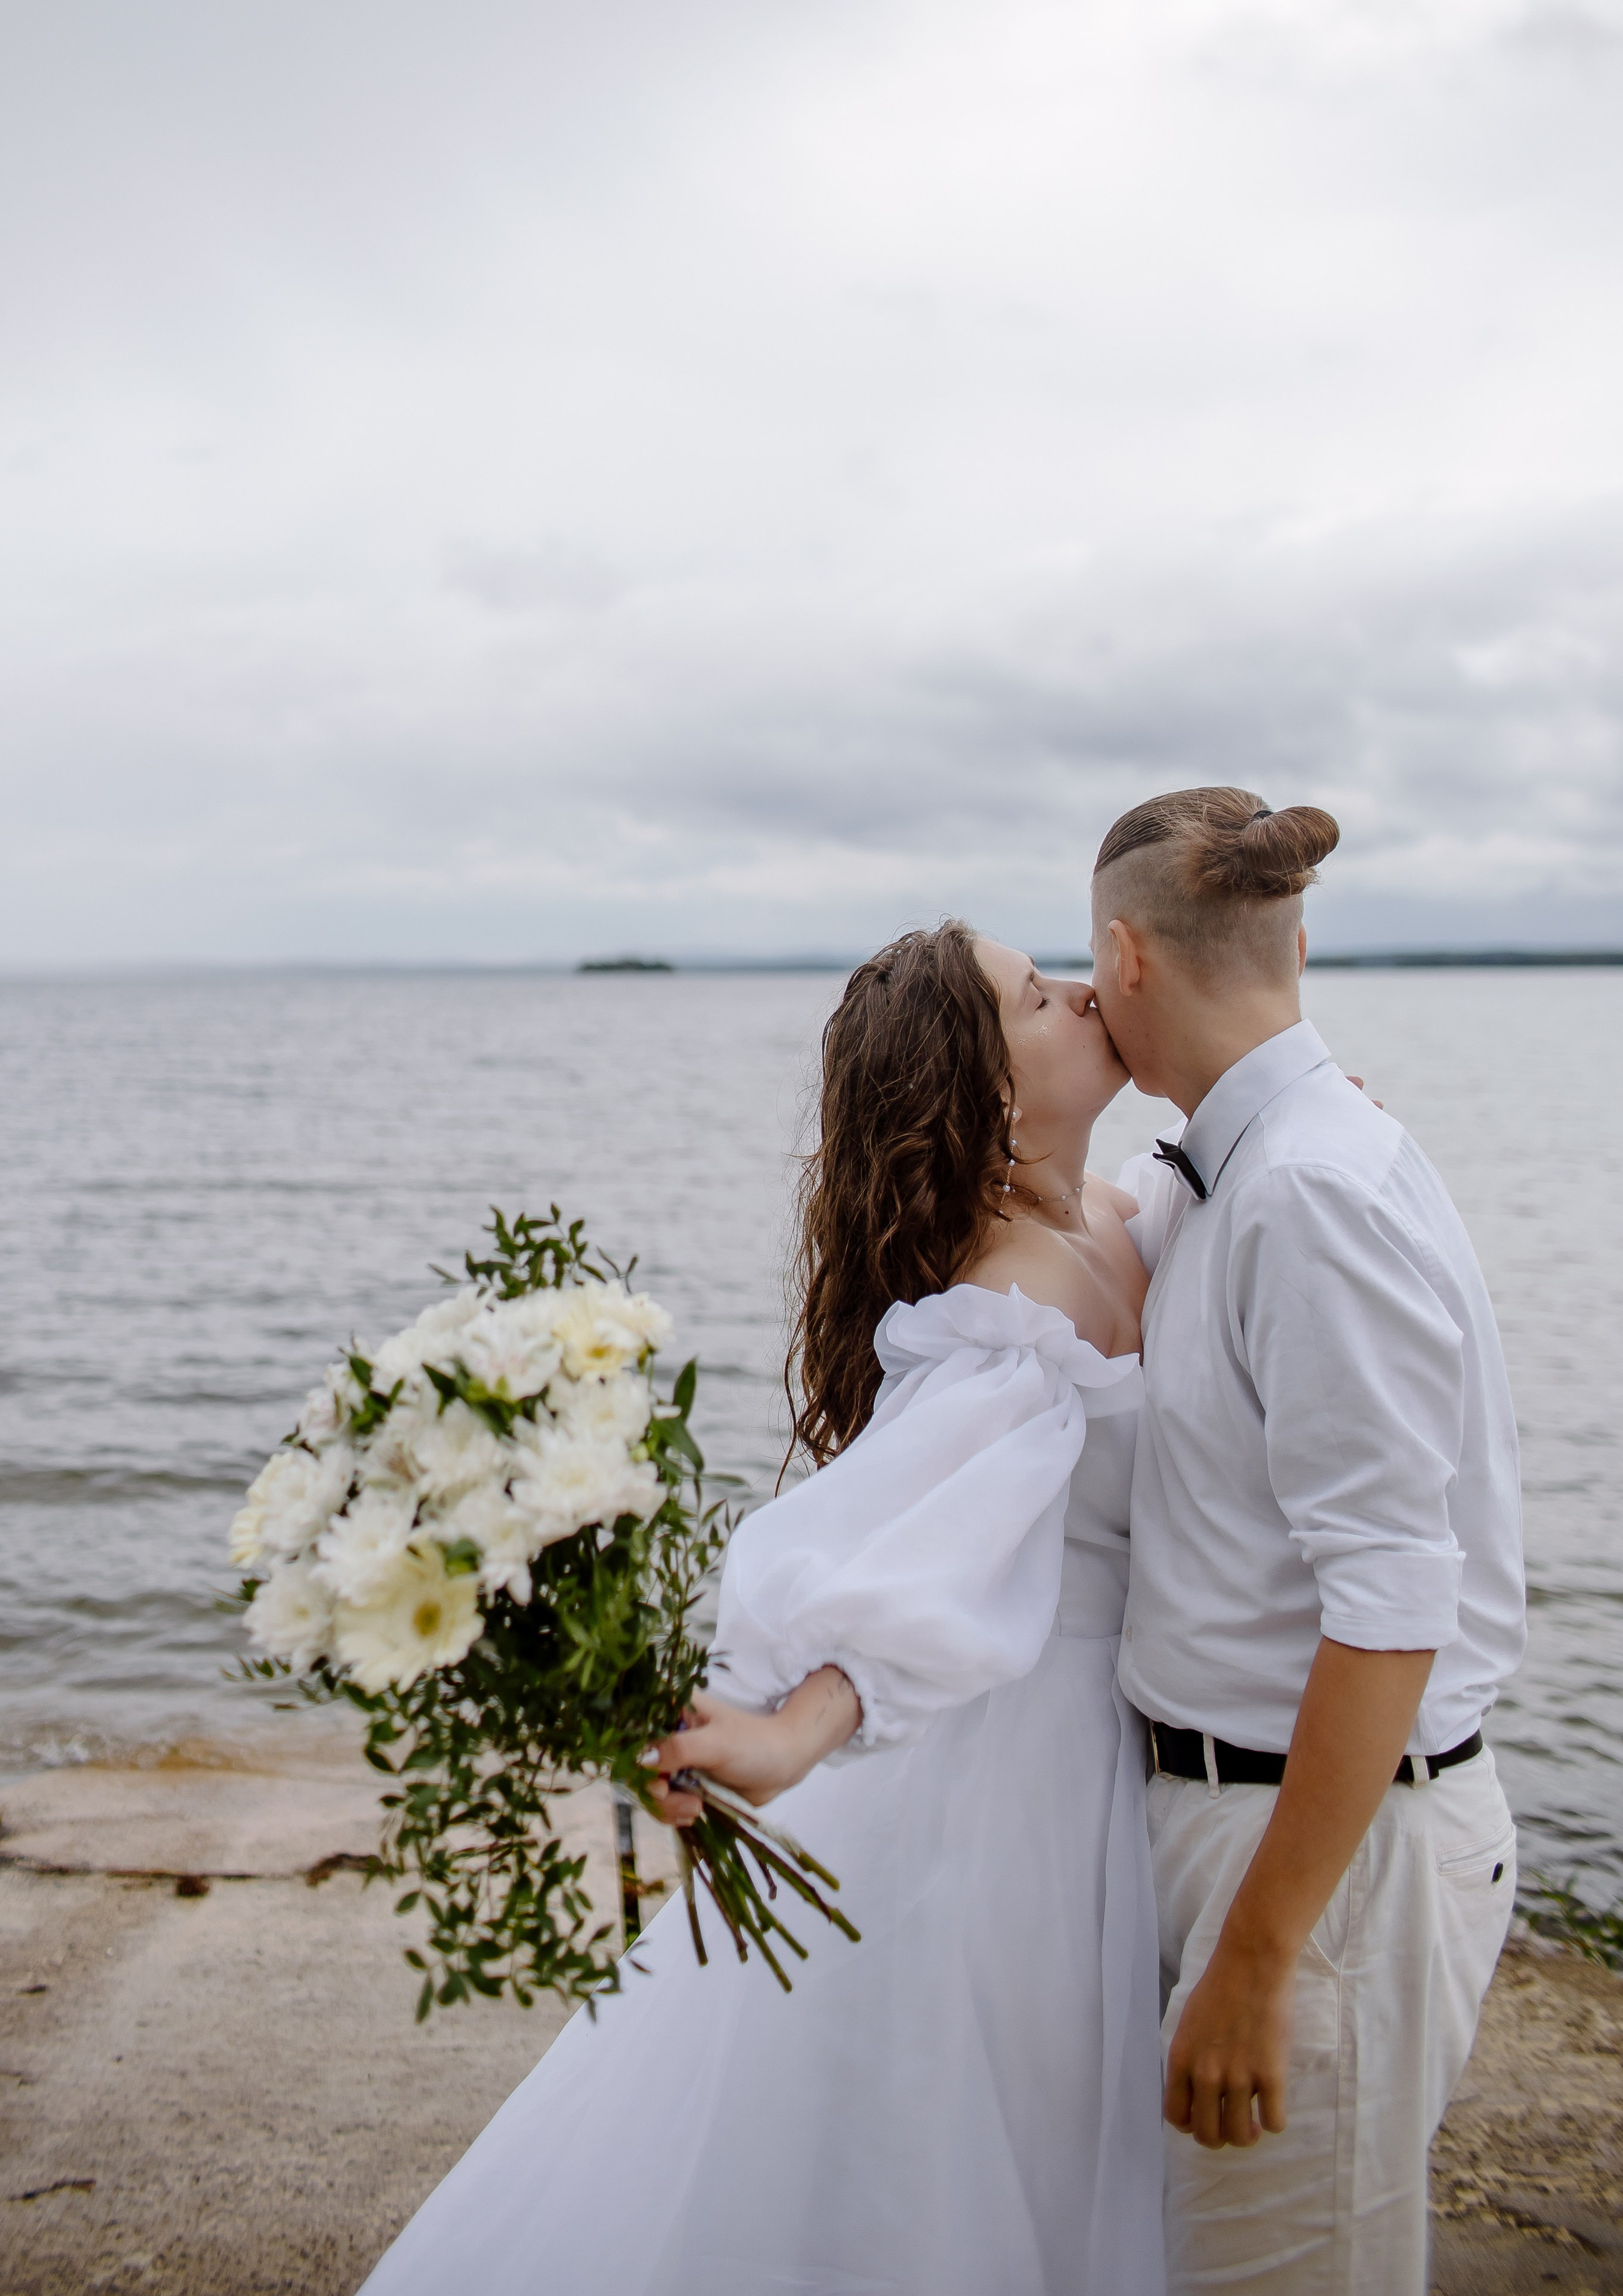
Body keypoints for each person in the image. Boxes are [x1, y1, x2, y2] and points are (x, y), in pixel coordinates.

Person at [357, 921, 1168, 2296]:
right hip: (1011, 1780)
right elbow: (931, 1551)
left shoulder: (1121, 1211)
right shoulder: (1003, 1307)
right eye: (1038, 994)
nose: (1083, 990)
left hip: (1103, 1750)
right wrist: (796, 1729)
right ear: (974, 1090)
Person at [1089, 787, 1525, 2295]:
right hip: (1260, 1829)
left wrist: (1260, 1955)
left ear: (1127, 954)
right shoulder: (1239, 1167)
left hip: (1321, 1863)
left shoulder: (1309, 1192)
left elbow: (1394, 1604)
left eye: (1088, 969)